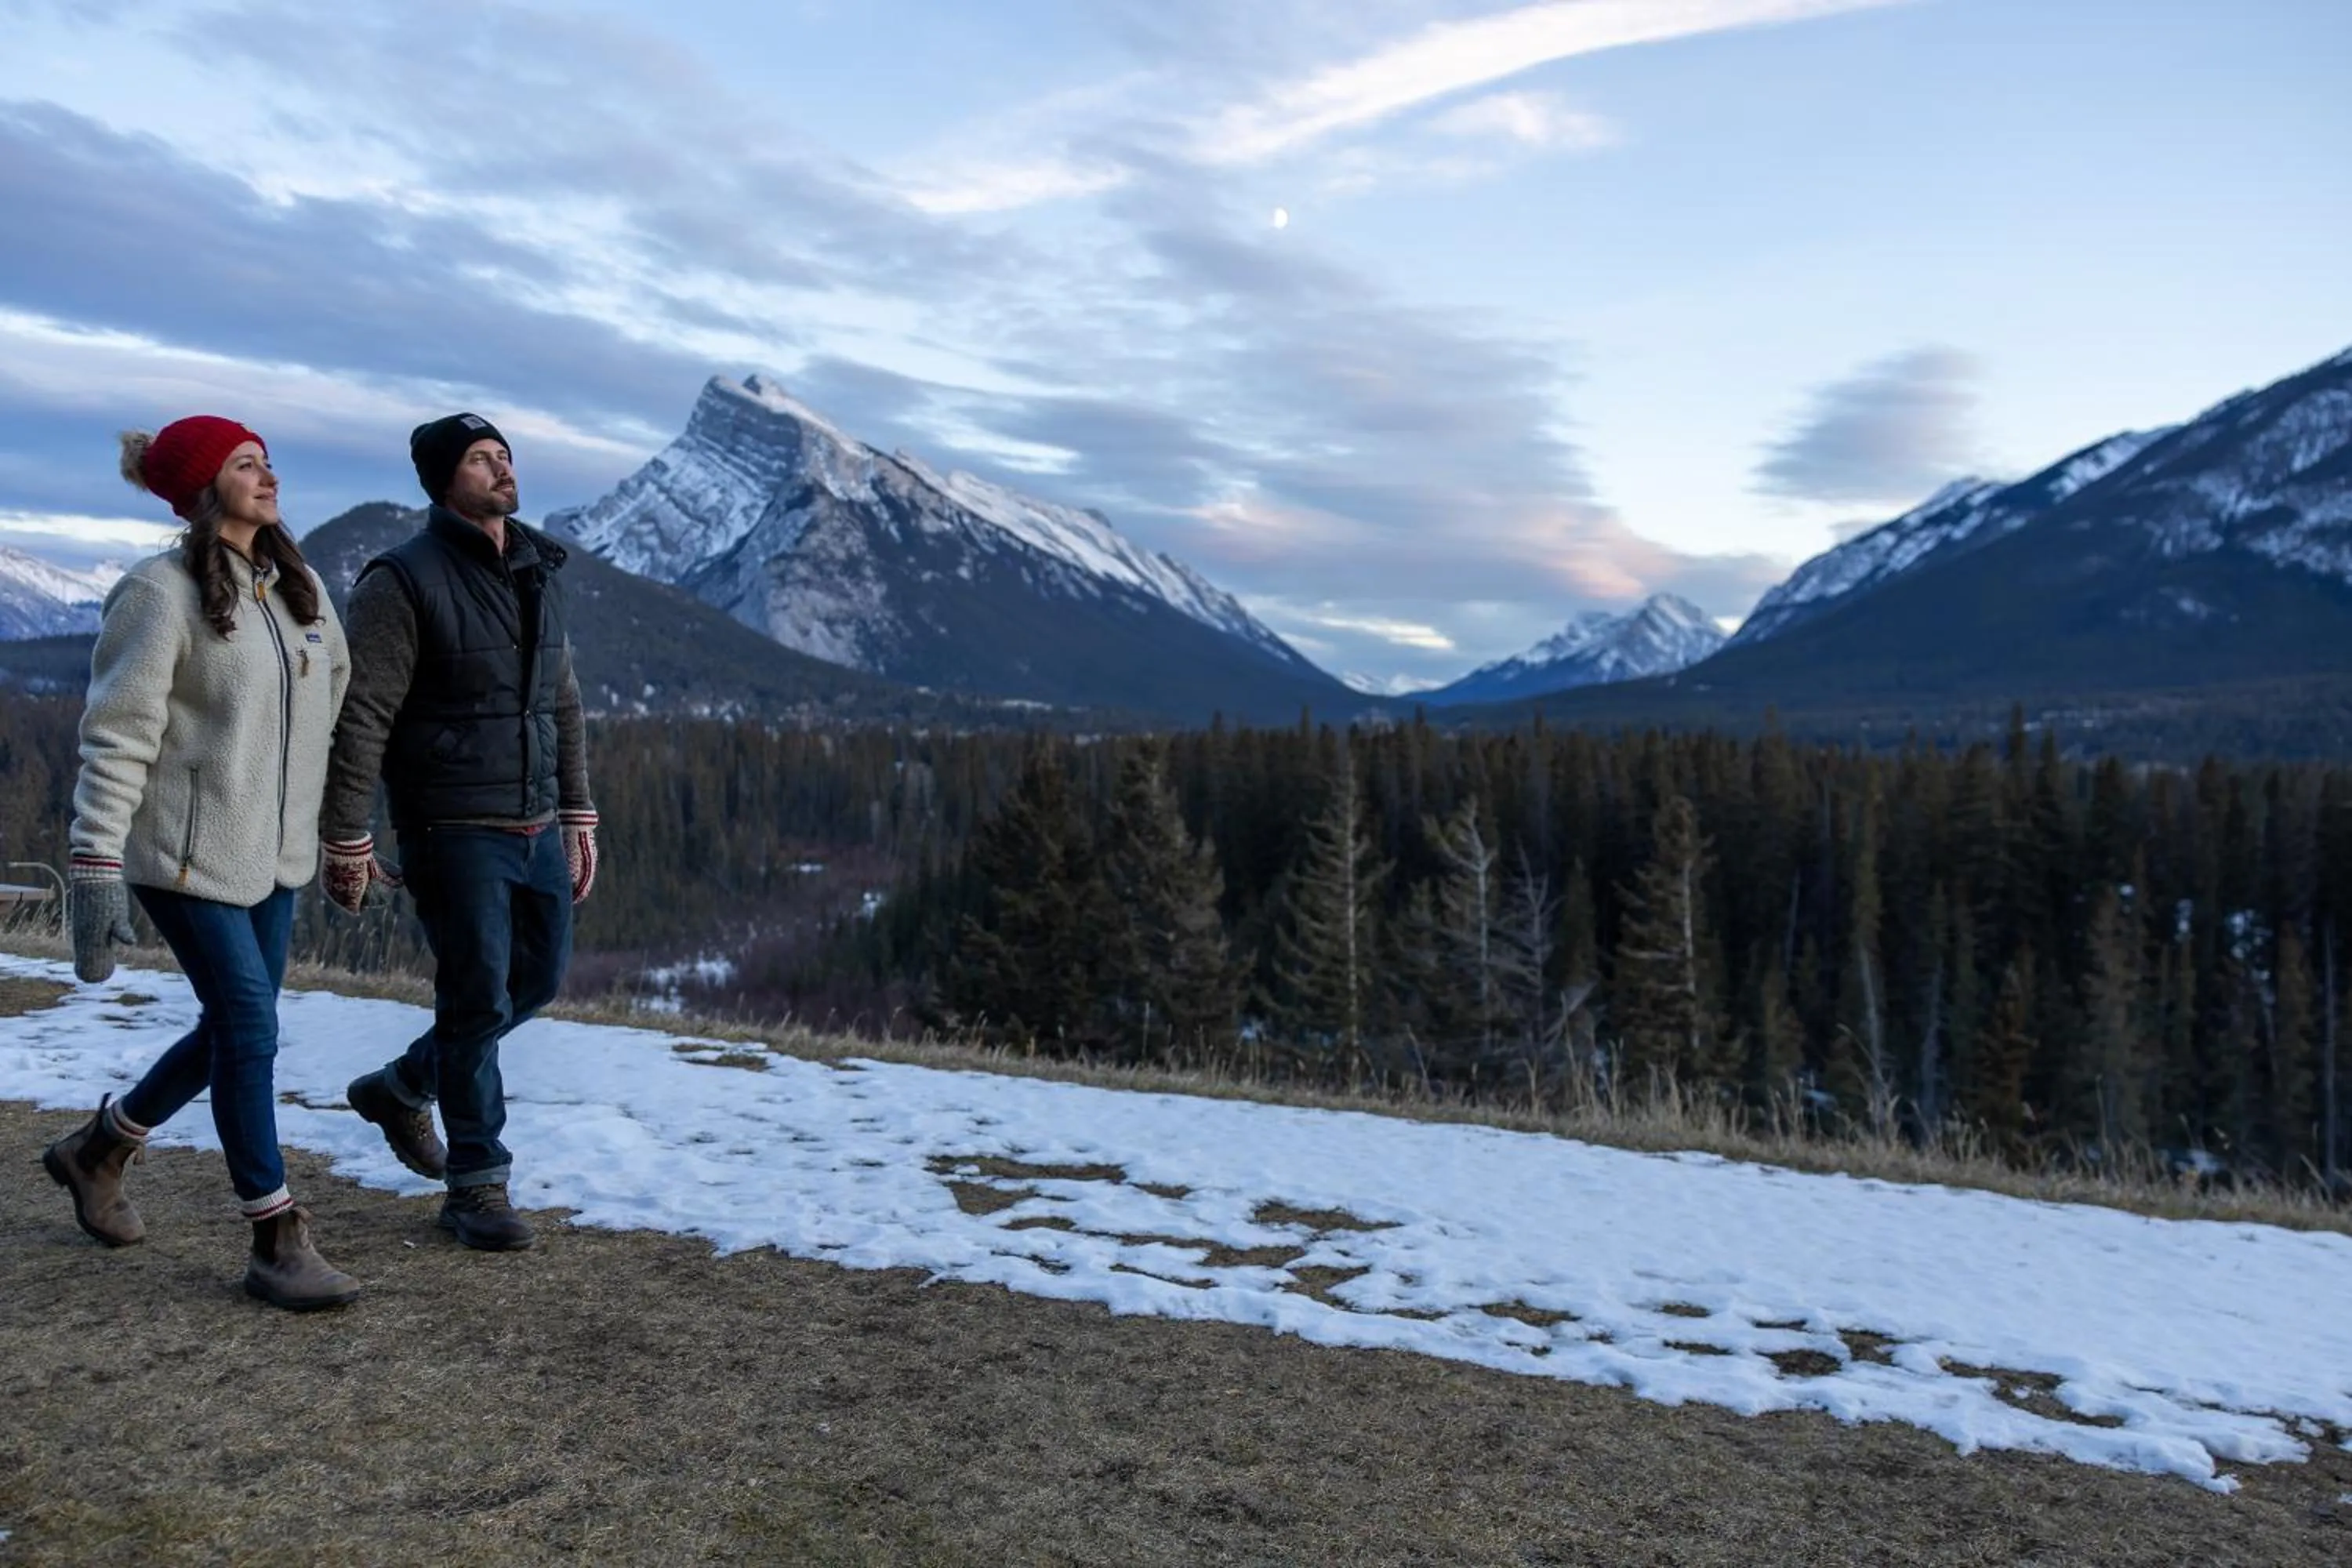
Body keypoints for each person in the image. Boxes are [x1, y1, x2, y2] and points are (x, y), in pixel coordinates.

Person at [42, 416, 361, 1312]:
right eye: (246, 464)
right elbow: (116, 734)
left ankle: (99, 1148)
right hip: (183, 858)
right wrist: (95, 859)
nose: (268, 475)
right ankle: (276, 1233)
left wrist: (342, 830)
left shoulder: (298, 589)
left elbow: (332, 704)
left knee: (231, 1027)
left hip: (276, 856)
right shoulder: (158, 592)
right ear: (201, 489)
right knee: (252, 1030)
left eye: (266, 461)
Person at [321, 412, 597, 1252]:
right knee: (477, 995)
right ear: (446, 480)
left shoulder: (535, 568)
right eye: (481, 459)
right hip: (452, 820)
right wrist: (346, 835)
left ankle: (405, 1083)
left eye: (505, 454)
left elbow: (562, 698)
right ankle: (477, 1183)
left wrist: (578, 809)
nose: (501, 467)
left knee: (537, 980)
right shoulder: (400, 580)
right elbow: (362, 712)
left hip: (537, 818)